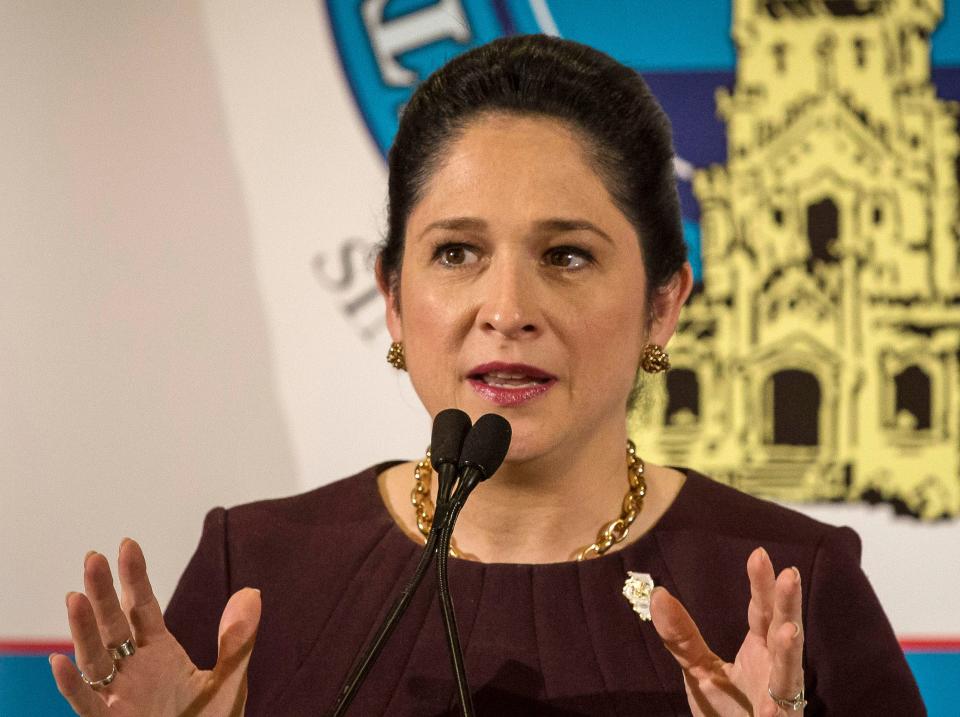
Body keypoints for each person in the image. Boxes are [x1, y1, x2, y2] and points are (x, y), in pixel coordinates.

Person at [50, 35, 924, 716]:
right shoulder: (259, 572)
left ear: (663, 305)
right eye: (457, 252)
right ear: (393, 296)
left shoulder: (785, 587)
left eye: (568, 254)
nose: (507, 307)